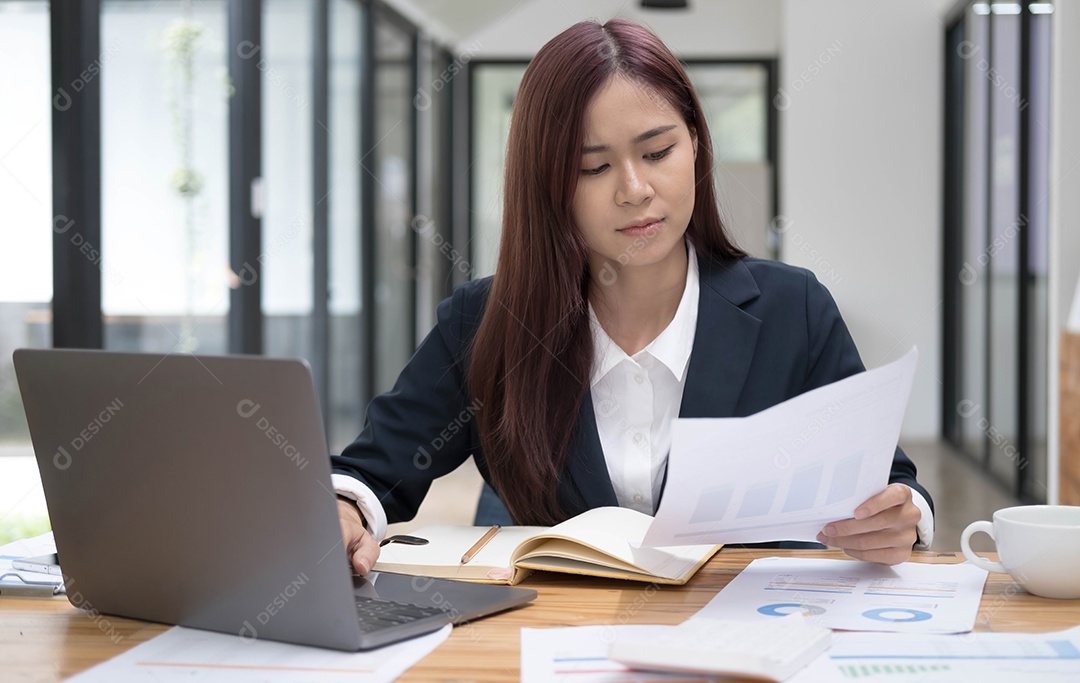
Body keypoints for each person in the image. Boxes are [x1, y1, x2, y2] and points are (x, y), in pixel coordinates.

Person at [332, 18, 934, 574]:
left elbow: (889, 481)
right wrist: (347, 511)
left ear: (695, 145)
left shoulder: (792, 310)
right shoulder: (487, 322)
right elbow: (369, 472)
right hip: (556, 639)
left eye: (657, 152)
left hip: (740, 633)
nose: (636, 189)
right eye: (593, 168)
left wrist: (901, 518)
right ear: (549, 188)